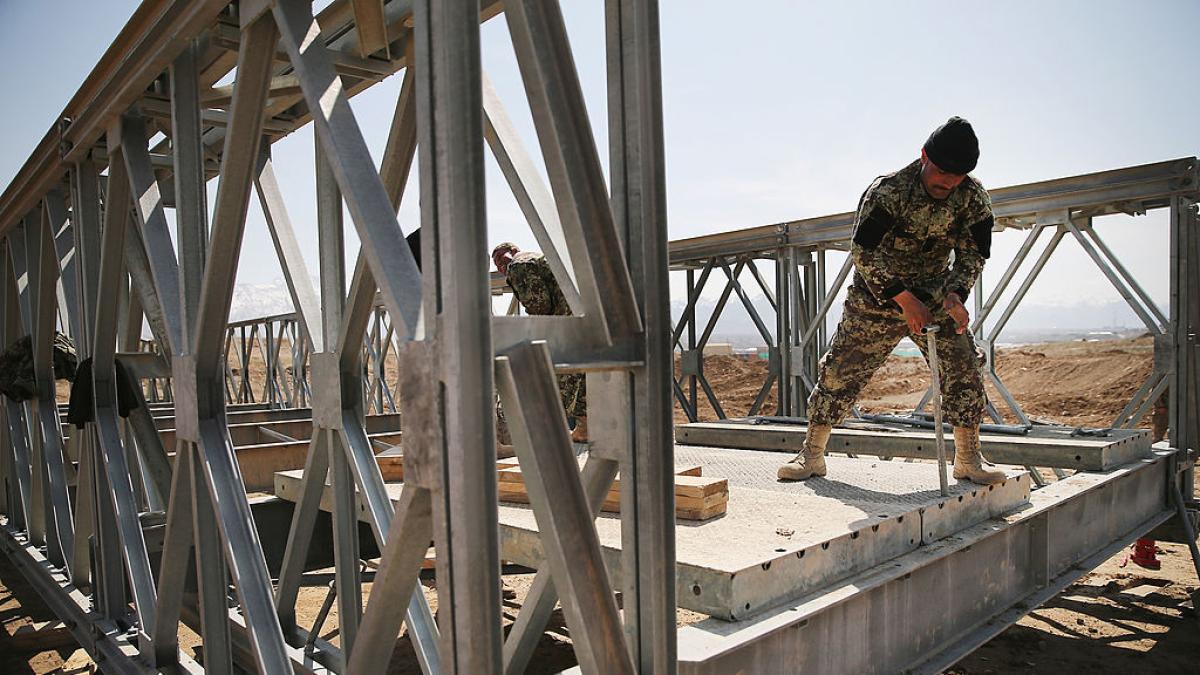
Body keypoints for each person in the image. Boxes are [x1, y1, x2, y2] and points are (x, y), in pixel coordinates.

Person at [778, 116, 1006, 486]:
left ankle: (968, 458)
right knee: (840, 370)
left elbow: (973, 255)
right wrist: (902, 299)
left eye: (957, 176)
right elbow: (863, 250)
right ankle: (812, 454)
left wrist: (955, 295)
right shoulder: (890, 192)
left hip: (934, 293)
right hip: (877, 295)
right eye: (942, 172)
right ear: (923, 157)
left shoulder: (973, 199)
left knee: (963, 364)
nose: (947, 182)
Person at [491, 242, 587, 443]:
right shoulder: (539, 258)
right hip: (581, 321)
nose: (500, 267)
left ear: (511, 253)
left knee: (552, 379)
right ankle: (584, 429)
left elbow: (540, 305)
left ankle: (548, 437)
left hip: (561, 327)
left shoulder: (517, 265)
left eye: (499, 260)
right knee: (579, 376)